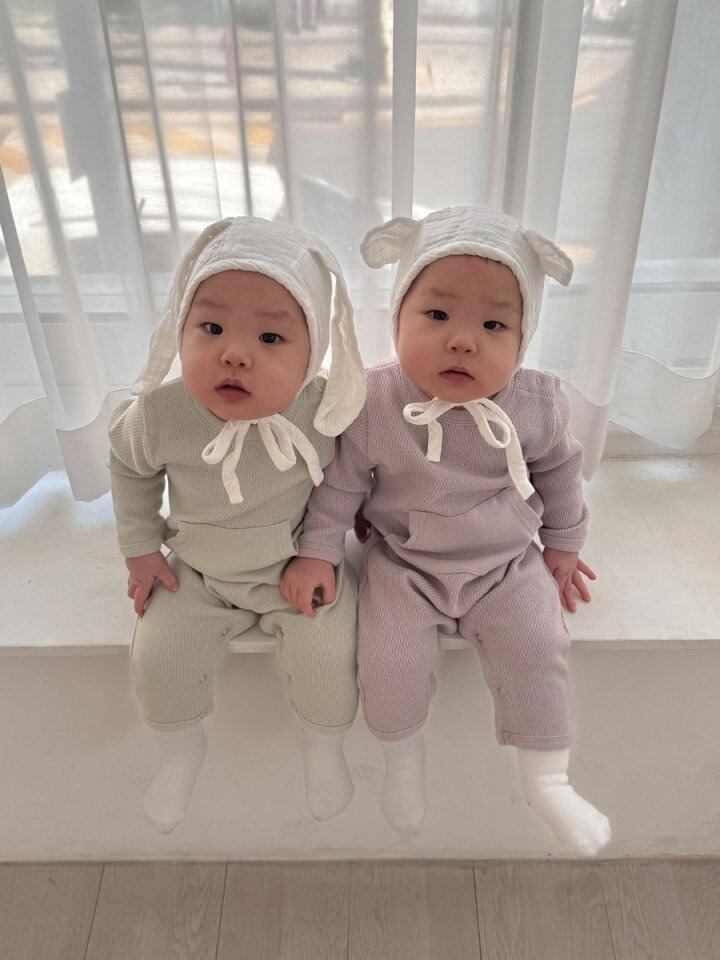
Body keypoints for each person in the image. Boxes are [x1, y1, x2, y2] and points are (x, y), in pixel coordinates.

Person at [281, 206, 611, 854]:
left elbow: (560, 473)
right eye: (436, 315)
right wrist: (318, 552)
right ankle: (402, 760)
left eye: (493, 325)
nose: (463, 341)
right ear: (398, 317)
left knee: (539, 646)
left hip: (504, 562)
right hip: (405, 564)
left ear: (523, 337)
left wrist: (565, 543)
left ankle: (549, 781)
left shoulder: (536, 403)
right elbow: (340, 485)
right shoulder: (374, 401)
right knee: (388, 660)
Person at [108, 216, 365, 833]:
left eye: (271, 338)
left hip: (295, 566)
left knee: (329, 651)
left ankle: (324, 749)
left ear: (312, 356)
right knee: (159, 656)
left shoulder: (322, 410)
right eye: (212, 328)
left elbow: (347, 483)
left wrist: (321, 554)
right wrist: (141, 547)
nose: (235, 353)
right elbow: (128, 466)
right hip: (197, 571)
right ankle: (180, 752)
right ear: (181, 328)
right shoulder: (161, 413)